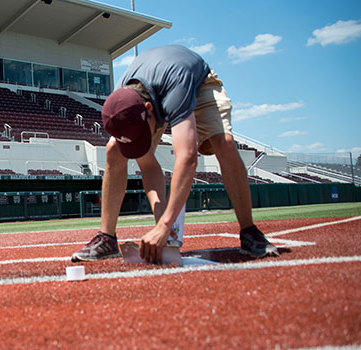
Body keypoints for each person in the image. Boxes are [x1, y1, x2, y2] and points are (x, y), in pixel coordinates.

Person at [71, 45, 279, 264]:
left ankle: (249, 231)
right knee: (114, 150)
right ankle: (107, 237)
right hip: (155, 86)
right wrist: (162, 214)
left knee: (223, 143)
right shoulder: (123, 101)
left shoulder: (176, 91)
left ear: (150, 110)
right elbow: (148, 166)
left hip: (196, 83)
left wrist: (165, 226)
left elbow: (187, 157)